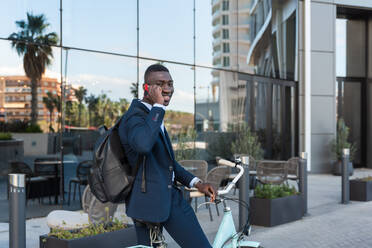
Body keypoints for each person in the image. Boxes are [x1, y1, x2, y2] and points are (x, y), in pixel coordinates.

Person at [119, 64, 216, 247]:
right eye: (160, 83)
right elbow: (142, 145)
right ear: (146, 88)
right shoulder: (136, 117)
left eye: (170, 83)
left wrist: (197, 183)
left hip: (152, 199)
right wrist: (158, 107)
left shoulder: (152, 115)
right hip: (158, 199)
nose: (167, 89)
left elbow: (166, 163)